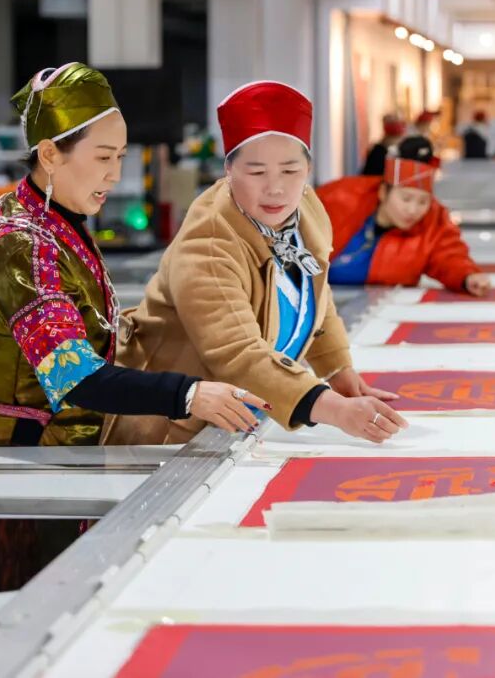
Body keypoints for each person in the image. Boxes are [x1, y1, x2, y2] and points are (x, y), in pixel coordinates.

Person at [0, 62, 266, 594]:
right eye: (104, 157)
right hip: (15, 468)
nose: (115, 175)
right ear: (49, 154)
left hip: (55, 454)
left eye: (121, 158)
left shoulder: (54, 223)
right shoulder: (25, 247)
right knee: (24, 611)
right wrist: (188, 394)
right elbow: (74, 376)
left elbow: (83, 328)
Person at [103, 81, 408, 447]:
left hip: (240, 423)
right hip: (171, 433)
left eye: (290, 171)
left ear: (308, 170)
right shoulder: (209, 243)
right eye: (257, 172)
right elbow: (237, 354)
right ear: (228, 170)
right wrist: (334, 409)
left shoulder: (305, 211)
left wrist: (338, 369)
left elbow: (314, 291)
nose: (275, 188)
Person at [318, 135, 491, 295]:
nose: (413, 210)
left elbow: (449, 256)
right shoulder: (339, 197)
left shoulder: (433, 219)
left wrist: (467, 276)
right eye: (406, 199)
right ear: (383, 192)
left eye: (423, 201)